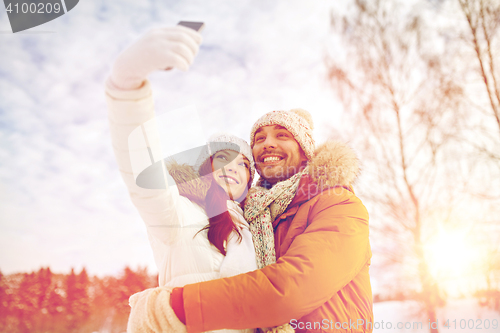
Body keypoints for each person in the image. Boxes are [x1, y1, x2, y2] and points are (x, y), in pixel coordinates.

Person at [121, 26, 373, 333]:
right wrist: (127, 90)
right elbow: (142, 173)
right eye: (259, 137)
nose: (267, 143)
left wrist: (174, 308)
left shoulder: (338, 204)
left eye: (282, 135)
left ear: (305, 152)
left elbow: (290, 289)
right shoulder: (239, 216)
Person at [105, 26, 262, 333]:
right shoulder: (177, 212)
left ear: (250, 178)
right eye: (221, 158)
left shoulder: (258, 232)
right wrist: (126, 88)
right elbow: (141, 171)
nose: (231, 168)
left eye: (242, 164)